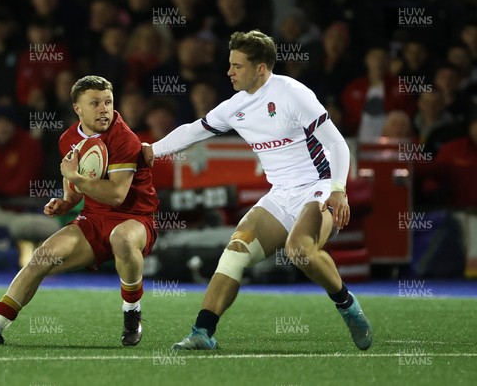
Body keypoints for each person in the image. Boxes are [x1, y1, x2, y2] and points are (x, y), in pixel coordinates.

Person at [142, 30, 373, 351]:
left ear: (261, 68)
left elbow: (337, 143)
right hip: (280, 194)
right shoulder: (236, 106)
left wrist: (338, 189)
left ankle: (349, 308)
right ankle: (203, 332)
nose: (229, 72)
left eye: (237, 65)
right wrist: (152, 149)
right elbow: (193, 131)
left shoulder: (293, 94)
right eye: (230, 64)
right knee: (235, 251)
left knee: (299, 250)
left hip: (318, 187)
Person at [0, 75, 159, 346]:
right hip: (93, 219)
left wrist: (75, 178)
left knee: (121, 239)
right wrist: (66, 201)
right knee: (41, 258)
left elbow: (115, 195)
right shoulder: (68, 138)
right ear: (77, 108)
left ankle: (131, 312)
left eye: (109, 102)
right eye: (96, 103)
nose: (104, 109)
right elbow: (75, 191)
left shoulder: (124, 138)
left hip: (135, 219)